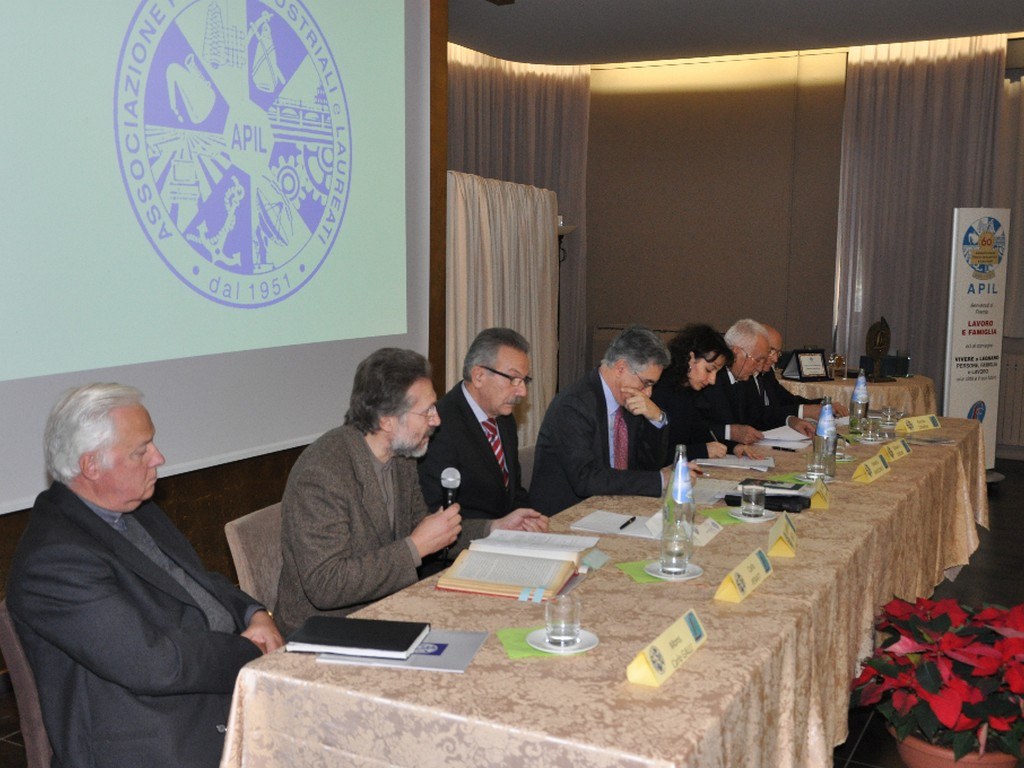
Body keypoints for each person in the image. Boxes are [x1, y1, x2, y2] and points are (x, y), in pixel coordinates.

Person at [6, 383, 283, 768]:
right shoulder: (53, 562)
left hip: (207, 690)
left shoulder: (134, 508)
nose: (159, 457)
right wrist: (250, 651)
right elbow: (156, 664)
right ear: (91, 466)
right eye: (141, 450)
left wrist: (255, 614)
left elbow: (199, 581)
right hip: (153, 736)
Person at [274, 348, 544, 635]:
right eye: (426, 411)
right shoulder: (323, 473)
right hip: (328, 629)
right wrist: (414, 548)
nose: (437, 420)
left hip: (390, 609)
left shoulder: (401, 457)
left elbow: (425, 530)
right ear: (386, 420)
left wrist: (494, 529)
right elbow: (326, 584)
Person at [530, 325, 672, 516]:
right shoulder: (574, 405)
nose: (648, 393)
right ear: (621, 368)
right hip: (567, 514)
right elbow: (586, 479)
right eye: (646, 383)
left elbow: (647, 466)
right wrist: (659, 481)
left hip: (614, 509)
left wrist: (657, 418)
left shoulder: (629, 400)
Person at [418, 328, 546, 526]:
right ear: (478, 376)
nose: (522, 392)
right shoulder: (439, 427)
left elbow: (513, 492)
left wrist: (528, 519)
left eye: (524, 381)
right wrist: (496, 529)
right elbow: (437, 512)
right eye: (513, 379)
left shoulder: (504, 418)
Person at [651, 323, 764, 462]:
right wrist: (702, 450)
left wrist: (733, 447)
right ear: (691, 358)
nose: (712, 380)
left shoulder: (688, 390)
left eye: (716, 372)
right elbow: (656, 455)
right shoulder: (658, 390)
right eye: (709, 370)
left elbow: (699, 432)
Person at [698, 319, 815, 442]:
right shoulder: (709, 379)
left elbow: (758, 416)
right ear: (736, 353)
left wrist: (789, 420)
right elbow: (694, 428)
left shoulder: (742, 377)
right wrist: (730, 433)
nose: (759, 368)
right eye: (757, 360)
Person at [752, 324, 849, 419]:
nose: (775, 359)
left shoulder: (767, 374)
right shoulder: (745, 377)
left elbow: (789, 400)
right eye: (771, 351)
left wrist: (824, 404)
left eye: (778, 353)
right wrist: (803, 411)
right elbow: (757, 415)